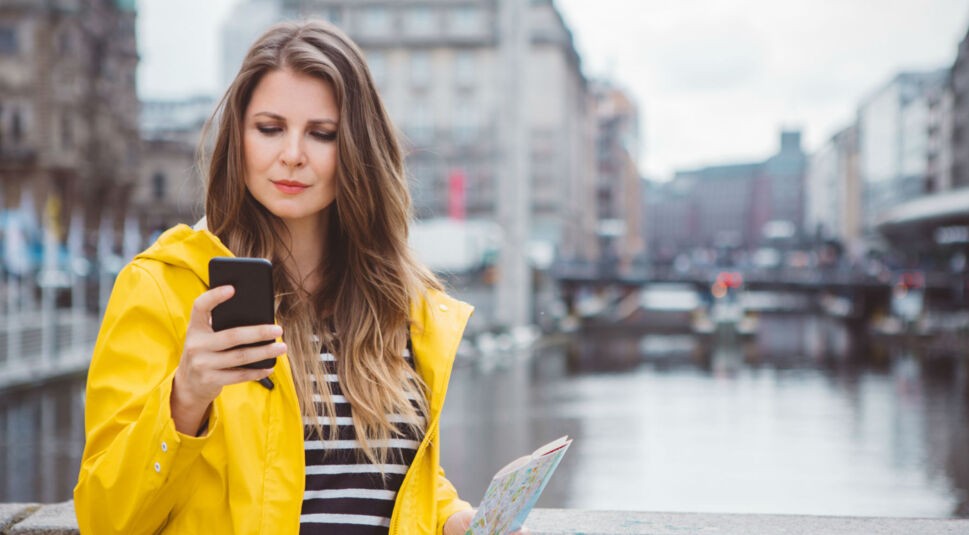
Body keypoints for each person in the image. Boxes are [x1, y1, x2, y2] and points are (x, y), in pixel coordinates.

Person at [74, 19, 496, 534]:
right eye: (270, 128)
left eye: (322, 134)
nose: (292, 154)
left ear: (358, 150)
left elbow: (386, 485)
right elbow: (103, 517)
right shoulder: (164, 288)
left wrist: (457, 521)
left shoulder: (400, 303)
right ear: (239, 138)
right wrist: (185, 399)